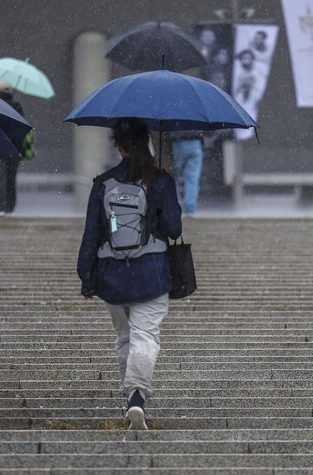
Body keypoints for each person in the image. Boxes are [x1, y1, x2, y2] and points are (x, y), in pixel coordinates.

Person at [77, 118, 182, 430]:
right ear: (146, 142)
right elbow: (175, 228)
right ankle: (137, 397)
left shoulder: (102, 183)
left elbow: (92, 235)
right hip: (152, 275)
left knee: (125, 336)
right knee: (145, 336)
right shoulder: (160, 180)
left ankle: (131, 396)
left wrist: (87, 276)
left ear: (118, 146)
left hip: (112, 277)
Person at [0, 79, 24, 215]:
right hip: (14, 150)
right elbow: (22, 129)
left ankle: (1, 208)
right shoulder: (17, 107)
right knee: (11, 179)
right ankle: (10, 207)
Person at [169, 130, 204, 215]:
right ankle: (190, 209)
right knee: (192, 179)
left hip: (177, 142)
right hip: (195, 141)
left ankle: (175, 208)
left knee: (172, 177)